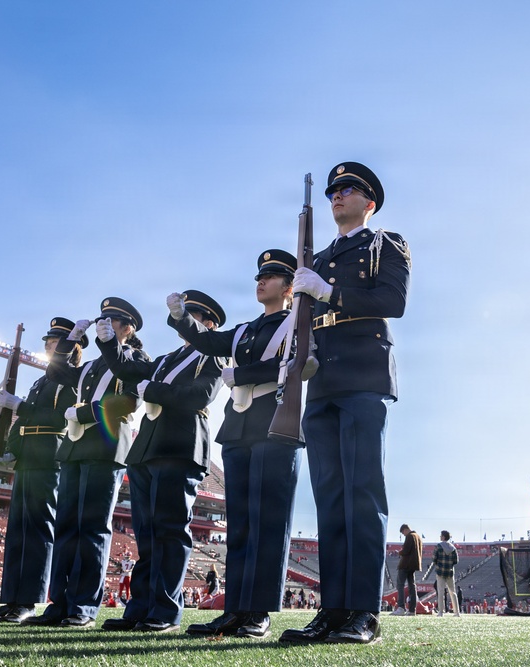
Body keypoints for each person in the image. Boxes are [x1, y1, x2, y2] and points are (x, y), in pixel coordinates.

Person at [280, 161, 411, 646]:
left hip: (362, 371)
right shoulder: (319, 255)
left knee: (361, 494)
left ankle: (364, 613)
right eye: (334, 189)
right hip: (321, 378)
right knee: (330, 499)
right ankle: (332, 611)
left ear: (369, 202)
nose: (338, 195)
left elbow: (393, 300)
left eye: (348, 188)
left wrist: (330, 292)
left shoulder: (385, 243)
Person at [174, 251, 303, 641]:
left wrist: (240, 372)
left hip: (274, 422)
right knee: (241, 525)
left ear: (289, 286)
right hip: (239, 427)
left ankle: (258, 612)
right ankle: (235, 610)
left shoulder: (298, 323)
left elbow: (294, 363)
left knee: (268, 522)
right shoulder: (246, 329)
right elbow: (207, 340)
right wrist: (182, 318)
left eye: (271, 276)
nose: (261, 281)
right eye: (259, 276)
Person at [96, 291, 225, 633]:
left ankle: (165, 611)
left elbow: (200, 395)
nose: (187, 322)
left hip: (180, 443)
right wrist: (108, 342)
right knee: (147, 535)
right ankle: (140, 608)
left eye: (194, 316)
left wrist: (151, 390)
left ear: (208, 324)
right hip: (148, 447)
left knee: (169, 530)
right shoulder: (168, 358)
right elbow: (125, 367)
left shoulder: (211, 355)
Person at [25, 298, 149, 628]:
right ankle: (59, 603)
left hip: (105, 445)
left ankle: (83, 606)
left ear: (128, 327)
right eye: (101, 320)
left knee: (91, 528)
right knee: (67, 527)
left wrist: (81, 413)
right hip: (76, 447)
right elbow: (56, 369)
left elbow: (128, 402)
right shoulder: (93, 365)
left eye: (111, 321)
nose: (102, 324)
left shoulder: (135, 359)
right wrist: (69, 341)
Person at [0, 319, 83, 624]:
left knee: (38, 530)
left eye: (54, 344)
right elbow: (21, 424)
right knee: (18, 532)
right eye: (48, 343)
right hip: (28, 458)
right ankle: (11, 600)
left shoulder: (70, 381)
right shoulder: (41, 382)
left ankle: (28, 602)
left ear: (70, 349)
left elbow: (61, 420)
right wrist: (10, 448)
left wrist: (20, 406)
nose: (48, 347)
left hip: (49, 457)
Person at [394, 524, 422, 615]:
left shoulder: (410, 536)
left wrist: (399, 552)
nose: (404, 535)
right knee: (412, 586)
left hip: (406, 564)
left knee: (400, 584)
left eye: (403, 533)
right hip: (414, 564)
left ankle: (401, 607)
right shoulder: (418, 536)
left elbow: (406, 550)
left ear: (405, 530)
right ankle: (412, 610)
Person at [432, 531, 460, 617]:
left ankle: (441, 612)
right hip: (450, 572)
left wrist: (439, 564)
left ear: (443, 537)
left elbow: (434, 559)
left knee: (440, 592)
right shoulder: (453, 548)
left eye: (441, 535)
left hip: (440, 572)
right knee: (453, 592)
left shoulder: (438, 546)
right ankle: (457, 612)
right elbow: (456, 561)